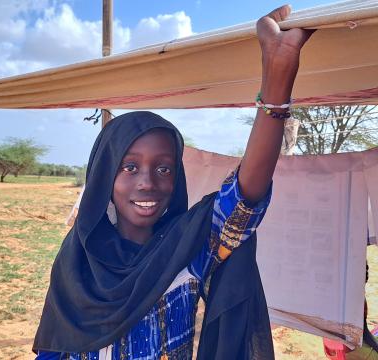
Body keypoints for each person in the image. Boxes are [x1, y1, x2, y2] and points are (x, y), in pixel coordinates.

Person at [33, 5, 313, 359]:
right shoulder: (77, 260)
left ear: (177, 178)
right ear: (105, 177)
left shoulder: (187, 250)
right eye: (129, 168)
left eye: (163, 169)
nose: (147, 182)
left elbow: (244, 199)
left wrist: (276, 83)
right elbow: (53, 350)